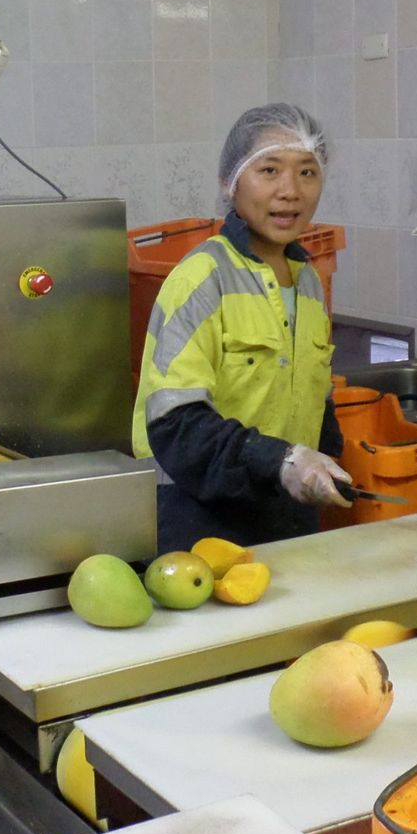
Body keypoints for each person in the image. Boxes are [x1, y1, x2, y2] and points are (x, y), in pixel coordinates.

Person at [133, 104, 351, 551]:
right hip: (199, 521)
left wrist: (321, 466)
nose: (290, 191)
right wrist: (281, 462)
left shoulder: (309, 282)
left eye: (307, 173)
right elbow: (176, 424)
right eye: (269, 170)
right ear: (230, 181)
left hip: (286, 518)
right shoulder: (201, 279)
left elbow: (314, 401)